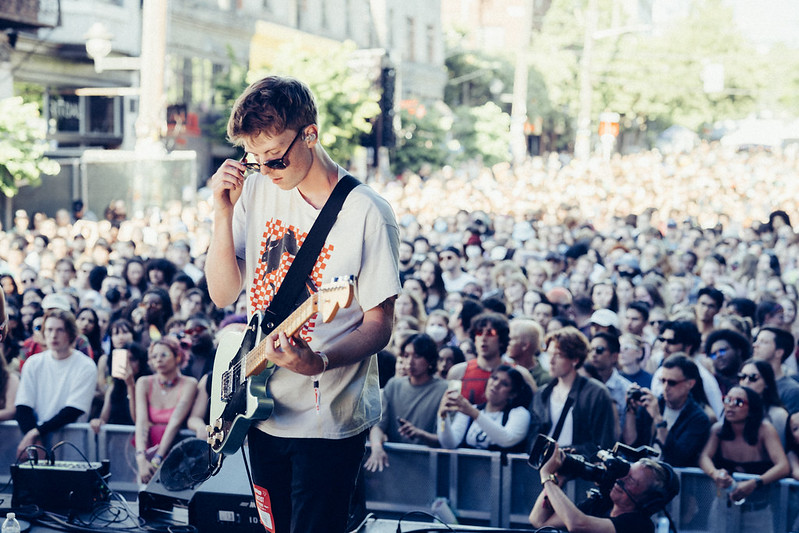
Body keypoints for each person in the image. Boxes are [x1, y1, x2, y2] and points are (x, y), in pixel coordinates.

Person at [204, 75, 399, 533]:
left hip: (326, 419)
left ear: (310, 134)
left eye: (275, 158)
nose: (266, 171)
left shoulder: (367, 213)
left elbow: (379, 324)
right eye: (254, 160)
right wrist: (222, 211)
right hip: (259, 408)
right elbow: (222, 293)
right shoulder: (256, 189)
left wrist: (320, 361)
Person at [529, 440, 678, 533]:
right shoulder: (600, 505)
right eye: (626, 472)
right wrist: (560, 476)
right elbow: (539, 521)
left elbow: (577, 524)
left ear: (649, 500)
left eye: (631, 481)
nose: (621, 479)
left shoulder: (640, 525)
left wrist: (547, 477)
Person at [698, 386, 788, 530]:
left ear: (751, 408)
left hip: (757, 511)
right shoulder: (718, 430)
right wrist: (715, 474)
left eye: (738, 402)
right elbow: (704, 457)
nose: (730, 405)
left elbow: (783, 466)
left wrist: (755, 483)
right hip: (723, 508)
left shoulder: (765, 429)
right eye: (727, 400)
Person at [14, 308, 97, 458]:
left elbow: (73, 410)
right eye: (49, 329)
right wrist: (35, 440)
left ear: (71, 333)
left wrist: (35, 433)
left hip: (71, 444)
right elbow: (23, 405)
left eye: (60, 330)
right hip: (37, 442)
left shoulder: (86, 366)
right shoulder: (33, 363)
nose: (53, 335)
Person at [364, 333, 447, 471]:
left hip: (429, 467)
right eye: (406, 355)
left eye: (417, 356)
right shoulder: (393, 385)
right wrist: (377, 448)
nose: (410, 362)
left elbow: (446, 439)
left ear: (430, 359)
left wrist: (420, 434)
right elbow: (379, 426)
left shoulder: (444, 389)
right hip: (394, 464)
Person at [529, 326, 617, 456]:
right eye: (549, 354)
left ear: (575, 359)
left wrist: (573, 452)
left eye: (558, 355)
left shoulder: (595, 393)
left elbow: (603, 442)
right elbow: (532, 437)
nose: (551, 361)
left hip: (578, 464)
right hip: (545, 463)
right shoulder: (543, 393)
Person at [623, 354, 711, 467]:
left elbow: (678, 458)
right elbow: (630, 444)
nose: (665, 387)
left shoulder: (699, 418)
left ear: (690, 384)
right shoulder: (651, 404)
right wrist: (631, 411)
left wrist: (658, 419)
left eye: (672, 382)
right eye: (663, 381)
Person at [134, 336, 197, 484]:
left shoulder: (189, 383)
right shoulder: (143, 383)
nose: (158, 360)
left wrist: (158, 458)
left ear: (178, 357)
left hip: (177, 452)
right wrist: (141, 458)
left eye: (164, 355)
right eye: (154, 356)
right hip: (147, 450)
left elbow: (175, 421)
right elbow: (141, 422)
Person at [437, 364, 531, 452]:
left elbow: (507, 440)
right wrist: (442, 417)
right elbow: (449, 444)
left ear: (513, 394)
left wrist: (474, 413)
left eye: (504, 384)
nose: (496, 384)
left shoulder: (519, 413)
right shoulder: (470, 409)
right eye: (494, 378)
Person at [738, 358, 789, 447]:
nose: (746, 381)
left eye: (753, 377)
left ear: (766, 382)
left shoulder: (778, 415)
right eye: (742, 376)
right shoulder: (731, 408)